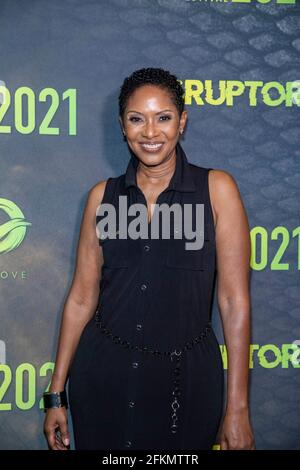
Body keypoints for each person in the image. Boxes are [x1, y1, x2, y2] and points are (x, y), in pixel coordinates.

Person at [43, 67, 255, 451]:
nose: (151, 132)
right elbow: (80, 298)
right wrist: (57, 393)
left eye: (164, 118)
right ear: (123, 126)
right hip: (102, 381)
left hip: (185, 387)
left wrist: (237, 407)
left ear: (182, 122)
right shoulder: (101, 197)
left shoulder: (217, 191)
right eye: (137, 119)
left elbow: (234, 301)